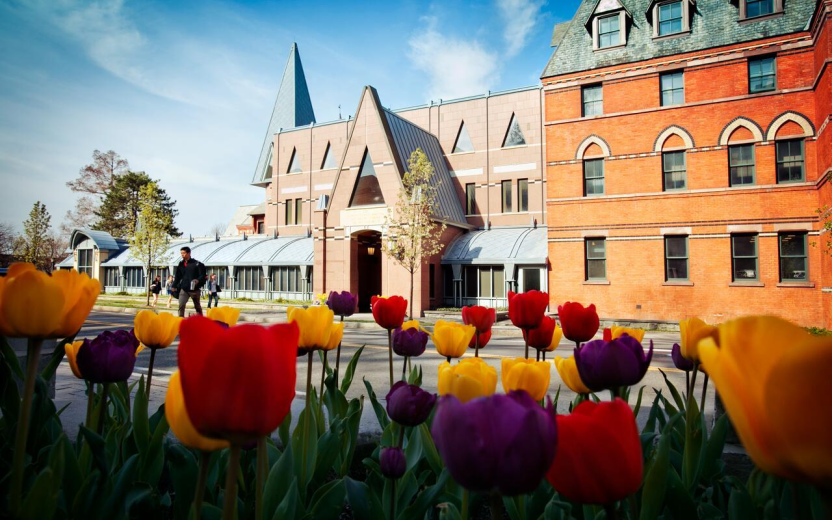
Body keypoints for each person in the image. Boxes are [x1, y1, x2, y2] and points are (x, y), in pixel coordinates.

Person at [173, 246, 206, 317]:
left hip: (194, 289)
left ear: (189, 253)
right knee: (181, 304)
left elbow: (202, 275)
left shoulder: (197, 264)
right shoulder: (181, 264)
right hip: (184, 288)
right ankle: (180, 319)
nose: (182, 255)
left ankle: (201, 319)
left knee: (197, 306)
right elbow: (177, 276)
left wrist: (197, 280)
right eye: (181, 253)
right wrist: (174, 285)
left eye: (184, 253)